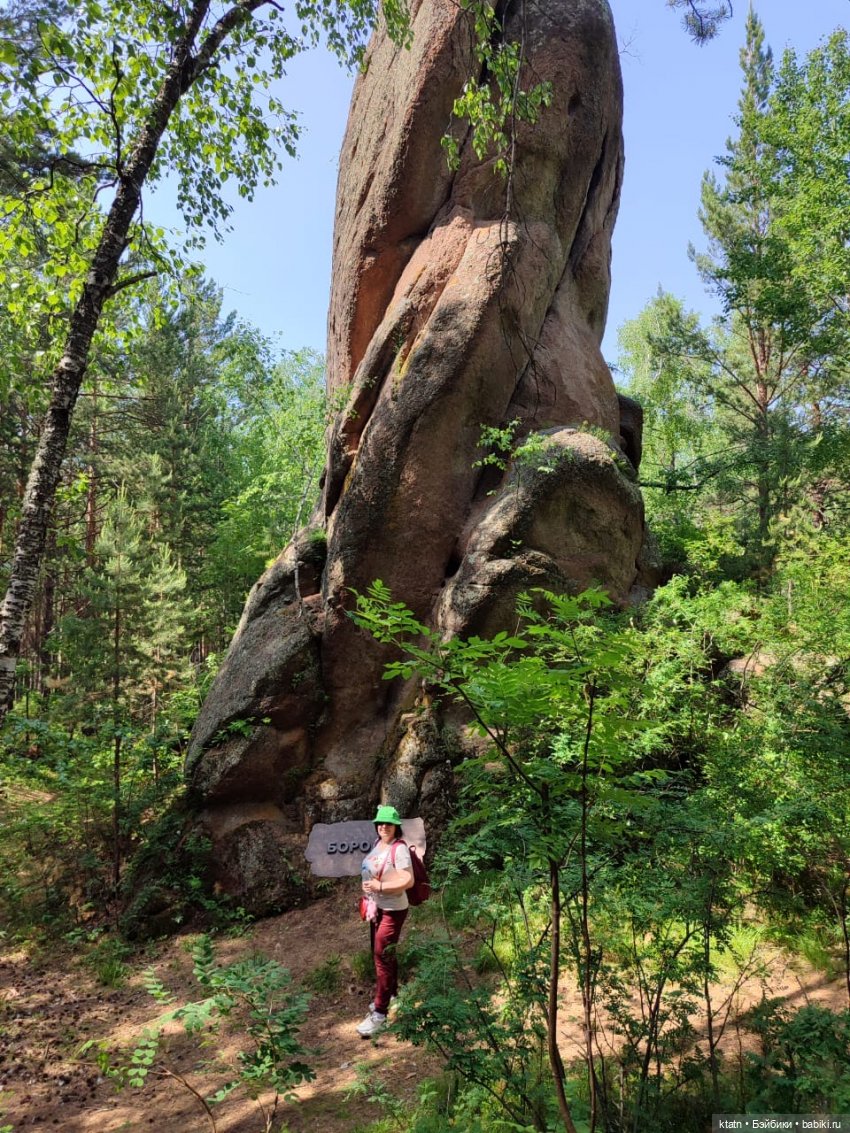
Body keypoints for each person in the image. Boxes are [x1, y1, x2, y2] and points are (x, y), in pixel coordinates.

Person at [357, 804, 413, 1038]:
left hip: (393, 910)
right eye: (379, 823)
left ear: (395, 826)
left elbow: (407, 880)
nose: (383, 827)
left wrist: (380, 886)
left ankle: (379, 1013)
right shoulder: (378, 844)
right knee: (383, 953)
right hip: (376, 908)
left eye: (388, 824)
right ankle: (392, 995)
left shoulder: (399, 849)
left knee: (381, 957)